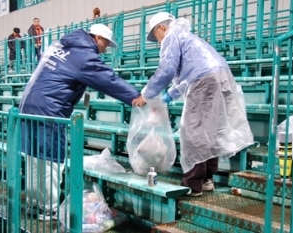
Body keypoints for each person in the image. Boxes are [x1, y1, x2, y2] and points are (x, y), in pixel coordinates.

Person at [19, 23, 140, 220]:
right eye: (106, 44)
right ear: (98, 38)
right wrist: (135, 96)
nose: (105, 49)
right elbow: (108, 79)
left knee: (35, 159)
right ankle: (48, 209)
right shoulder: (84, 55)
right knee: (51, 161)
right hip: (50, 109)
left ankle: (35, 204)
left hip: (28, 105)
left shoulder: (62, 45)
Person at [132, 12, 254, 197]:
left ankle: (193, 184)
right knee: (209, 130)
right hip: (221, 76)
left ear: (161, 28)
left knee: (194, 131)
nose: (158, 41)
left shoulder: (171, 36)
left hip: (205, 80)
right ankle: (206, 179)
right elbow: (187, 77)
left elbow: (167, 70)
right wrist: (168, 97)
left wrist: (146, 94)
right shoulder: (188, 37)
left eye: (155, 36)